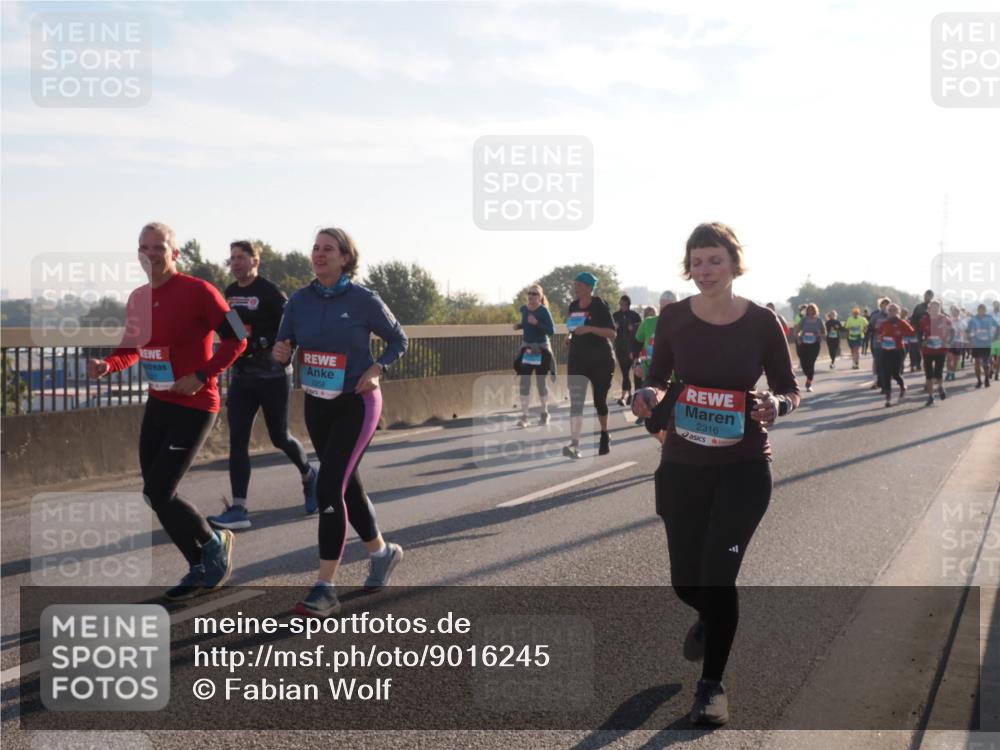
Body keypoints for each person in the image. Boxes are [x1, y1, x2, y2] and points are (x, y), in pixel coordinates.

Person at [632, 222, 799, 726]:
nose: (704, 270)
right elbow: (658, 377)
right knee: (687, 583)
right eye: (697, 261)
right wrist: (648, 396)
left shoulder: (763, 321)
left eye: (715, 261)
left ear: (733, 263)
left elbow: (790, 388)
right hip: (683, 464)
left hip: (744, 465)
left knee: (719, 577)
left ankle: (711, 687)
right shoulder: (674, 318)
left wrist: (777, 405)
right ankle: (706, 615)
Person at [88, 222, 247, 600]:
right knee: (154, 494)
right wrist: (108, 366)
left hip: (196, 404)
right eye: (144, 247)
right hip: (159, 402)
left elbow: (238, 336)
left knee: (161, 489)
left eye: (159, 247)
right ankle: (197, 564)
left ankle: (213, 543)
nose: (151, 254)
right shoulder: (138, 298)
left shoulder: (201, 291)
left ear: (175, 253)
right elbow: (132, 348)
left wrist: (202, 374)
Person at [272, 227, 408, 618]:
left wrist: (377, 368)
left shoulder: (364, 299)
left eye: (328, 249)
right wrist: (281, 352)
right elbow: (284, 348)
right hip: (318, 403)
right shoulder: (298, 301)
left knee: (329, 485)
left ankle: (325, 586)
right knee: (347, 487)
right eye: (315, 248)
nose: (319, 253)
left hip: (357, 402)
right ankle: (382, 554)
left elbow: (399, 340)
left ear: (345, 257)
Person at [207, 241, 317, 531]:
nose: (235, 262)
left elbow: (291, 326)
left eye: (241, 257)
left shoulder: (270, 292)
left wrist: (271, 345)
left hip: (273, 376)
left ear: (256, 260)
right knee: (238, 441)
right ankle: (239, 507)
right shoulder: (229, 293)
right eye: (232, 258)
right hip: (243, 377)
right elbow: (229, 329)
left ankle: (309, 475)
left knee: (279, 437)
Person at [562, 272, 616, 459]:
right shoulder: (573, 306)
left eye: (578, 284)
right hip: (577, 359)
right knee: (576, 402)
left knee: (599, 402)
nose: (575, 287)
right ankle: (574, 444)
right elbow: (572, 329)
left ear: (588, 287)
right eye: (575, 284)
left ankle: (604, 433)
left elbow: (612, 333)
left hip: (600, 361)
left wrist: (591, 329)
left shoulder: (599, 306)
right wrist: (569, 337)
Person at [634, 292, 677, 440]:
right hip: (652, 378)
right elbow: (636, 343)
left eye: (669, 307)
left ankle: (668, 450)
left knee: (667, 422)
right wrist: (637, 363)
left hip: (675, 380)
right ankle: (665, 444)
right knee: (651, 424)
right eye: (663, 306)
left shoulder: (683, 325)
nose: (666, 310)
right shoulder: (649, 323)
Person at [513, 283, 556, 426]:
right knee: (524, 381)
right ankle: (524, 416)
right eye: (529, 293)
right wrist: (519, 326)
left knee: (540, 382)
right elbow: (526, 325)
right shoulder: (524, 310)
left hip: (541, 349)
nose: (531, 296)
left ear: (540, 297)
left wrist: (537, 323)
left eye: (534, 294)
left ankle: (544, 413)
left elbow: (551, 331)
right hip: (528, 349)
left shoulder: (543, 311)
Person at [875, 303, 914, 407]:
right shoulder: (884, 323)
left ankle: (902, 386)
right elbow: (878, 333)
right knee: (886, 373)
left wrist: (900, 333)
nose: (892, 312)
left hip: (898, 350)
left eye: (894, 310)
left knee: (895, 373)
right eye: (890, 310)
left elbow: (912, 332)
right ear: (887, 312)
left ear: (898, 312)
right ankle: (888, 398)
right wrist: (880, 337)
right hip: (885, 350)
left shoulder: (902, 322)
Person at [919, 300, 952, 406]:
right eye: (932, 308)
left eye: (936, 308)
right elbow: (919, 334)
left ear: (939, 309)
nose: (934, 310)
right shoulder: (924, 320)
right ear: (929, 309)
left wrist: (947, 341)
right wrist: (922, 341)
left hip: (940, 350)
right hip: (928, 350)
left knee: (938, 372)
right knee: (928, 375)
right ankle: (930, 396)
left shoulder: (945, 319)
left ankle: (941, 387)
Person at [613, 295, 643, 406]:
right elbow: (611, 330)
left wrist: (633, 329)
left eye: (624, 305)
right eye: (620, 305)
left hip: (632, 348)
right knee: (625, 372)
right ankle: (629, 395)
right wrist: (614, 327)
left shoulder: (635, 316)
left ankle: (629, 395)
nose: (622, 307)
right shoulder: (615, 315)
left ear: (628, 305)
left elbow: (641, 330)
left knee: (634, 372)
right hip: (620, 347)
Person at [967, 303, 998, 388]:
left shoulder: (989, 318)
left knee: (986, 363)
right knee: (977, 363)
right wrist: (970, 340)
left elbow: (998, 327)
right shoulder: (973, 319)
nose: (981, 311)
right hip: (976, 344)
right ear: (977, 310)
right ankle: (979, 381)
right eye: (980, 309)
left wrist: (995, 337)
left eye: (983, 310)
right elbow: (967, 330)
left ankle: (986, 379)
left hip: (986, 343)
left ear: (985, 310)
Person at [795, 303, 824, 391]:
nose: (810, 311)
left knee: (811, 363)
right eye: (809, 309)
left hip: (815, 344)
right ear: (807, 311)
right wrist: (799, 339)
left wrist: (820, 334)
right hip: (804, 343)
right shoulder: (804, 320)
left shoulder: (819, 320)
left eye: (812, 309)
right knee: (804, 363)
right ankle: (808, 374)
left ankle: (809, 382)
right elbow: (797, 330)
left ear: (815, 310)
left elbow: (824, 332)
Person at [867, 298, 891, 390]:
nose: (885, 306)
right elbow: (869, 328)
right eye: (883, 304)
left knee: (887, 363)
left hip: (890, 344)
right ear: (880, 306)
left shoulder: (893, 316)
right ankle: (877, 381)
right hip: (877, 343)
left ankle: (884, 382)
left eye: (887, 304)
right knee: (878, 363)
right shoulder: (875, 316)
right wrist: (875, 328)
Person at [909, 290, 934, 373]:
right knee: (922, 352)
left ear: (932, 297)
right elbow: (913, 320)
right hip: (921, 333)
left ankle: (932, 370)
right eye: (926, 295)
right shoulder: (919, 307)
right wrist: (915, 328)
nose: (927, 297)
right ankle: (926, 371)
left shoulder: (936, 306)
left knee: (933, 353)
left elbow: (943, 317)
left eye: (929, 295)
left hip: (933, 334)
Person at [992, 301, 1000, 382]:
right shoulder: (990, 314)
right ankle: (992, 368)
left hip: (998, 339)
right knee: (990, 357)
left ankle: (997, 374)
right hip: (990, 339)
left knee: (998, 357)